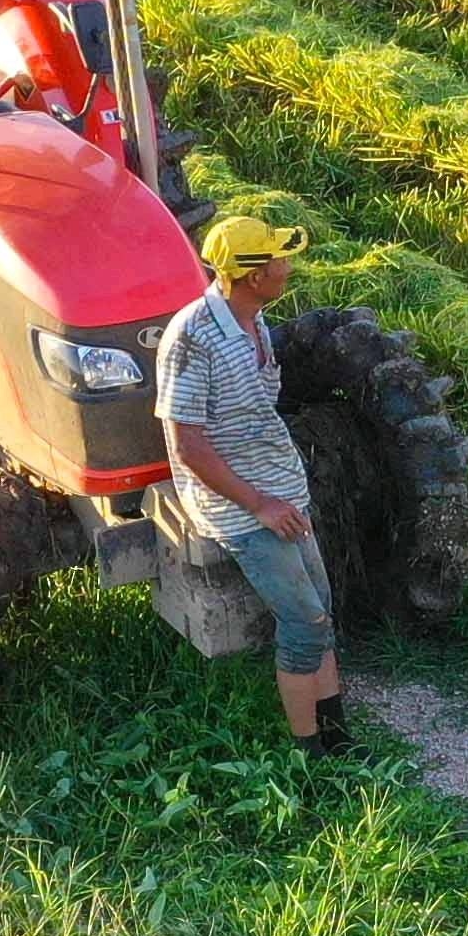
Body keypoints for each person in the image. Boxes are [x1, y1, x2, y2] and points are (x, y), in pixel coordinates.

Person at [156, 211, 348, 755]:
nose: (288, 267)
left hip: (281, 488)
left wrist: (278, 494)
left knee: (322, 612)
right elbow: (187, 445)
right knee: (304, 623)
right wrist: (259, 504)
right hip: (243, 505)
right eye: (279, 259)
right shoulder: (193, 339)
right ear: (254, 275)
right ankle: (308, 752)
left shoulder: (254, 319)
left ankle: (338, 736)